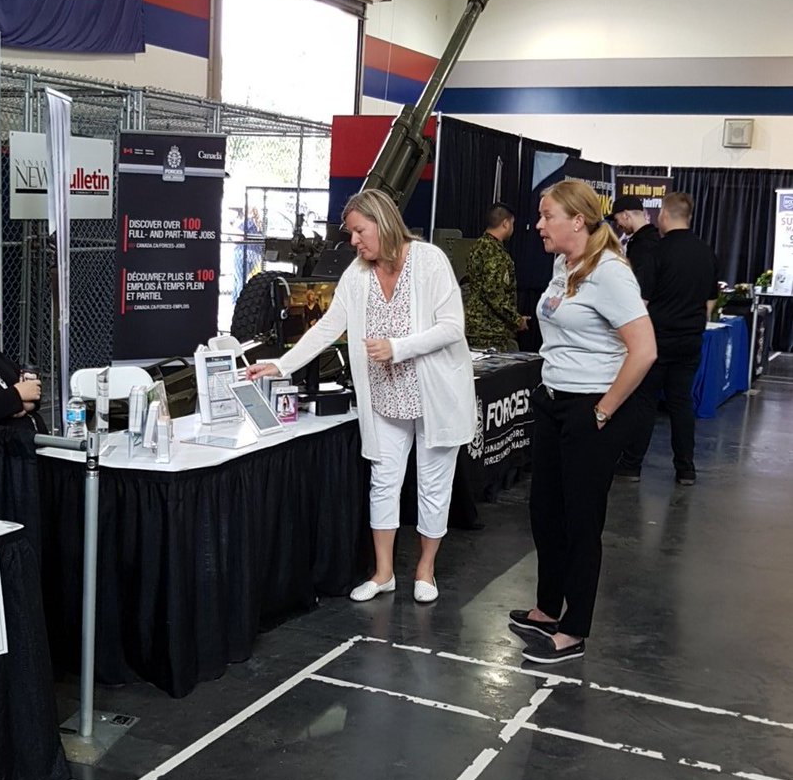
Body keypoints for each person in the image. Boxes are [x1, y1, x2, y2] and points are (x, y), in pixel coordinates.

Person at [245, 188, 475, 604]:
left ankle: (425, 569)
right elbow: (327, 326)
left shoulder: (429, 261)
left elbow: (452, 327)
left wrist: (397, 347)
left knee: (433, 484)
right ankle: (383, 572)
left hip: (434, 397)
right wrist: (281, 365)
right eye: (351, 233)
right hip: (385, 397)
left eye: (358, 231)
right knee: (383, 483)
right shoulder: (357, 274)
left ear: (383, 222)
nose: (353, 241)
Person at [509, 180, 657, 664]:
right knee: (545, 511)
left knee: (580, 520)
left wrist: (604, 409)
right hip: (553, 400)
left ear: (577, 220)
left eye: (546, 215)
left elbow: (644, 351)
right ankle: (547, 608)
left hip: (591, 407)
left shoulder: (610, 272)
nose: (537, 225)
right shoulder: (563, 263)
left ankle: (574, 630)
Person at [614, 191, 719, 485]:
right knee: (681, 403)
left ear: (665, 215)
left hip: (658, 338)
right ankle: (686, 468)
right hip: (690, 340)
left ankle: (632, 465)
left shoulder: (657, 252)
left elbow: (642, 301)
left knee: (645, 401)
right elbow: (710, 301)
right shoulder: (706, 251)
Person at [463, 202, 529, 351]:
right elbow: (494, 294)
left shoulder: (478, 246)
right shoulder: (496, 254)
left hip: (475, 326)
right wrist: (517, 320)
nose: (513, 228)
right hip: (490, 331)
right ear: (505, 224)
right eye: (512, 223)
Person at [610, 193, 660, 301]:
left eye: (616, 219)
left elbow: (643, 289)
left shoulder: (643, 244)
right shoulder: (654, 237)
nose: (617, 225)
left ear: (625, 215)